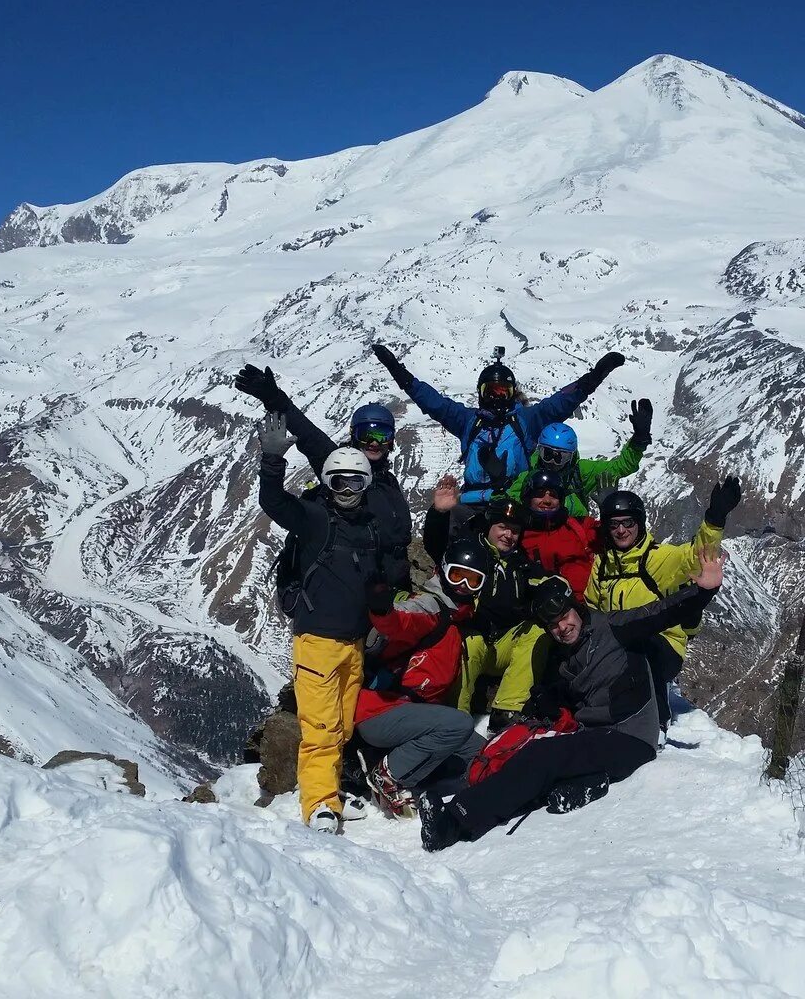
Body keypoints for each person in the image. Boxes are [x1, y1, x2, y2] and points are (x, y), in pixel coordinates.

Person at [419, 547, 725, 851]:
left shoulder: (615, 628)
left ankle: (454, 822)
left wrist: (703, 592)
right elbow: (565, 693)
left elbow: (661, 613)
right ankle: (584, 782)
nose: (562, 628)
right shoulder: (562, 657)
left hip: (631, 737)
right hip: (595, 734)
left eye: (564, 616)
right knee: (530, 753)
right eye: (552, 625)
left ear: (575, 608)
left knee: (543, 756)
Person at [255, 413, 383, 834]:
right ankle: (320, 806)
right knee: (321, 729)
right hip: (317, 643)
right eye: (339, 482)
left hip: (353, 643)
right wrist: (272, 459)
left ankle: (329, 790)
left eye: (357, 482)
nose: (348, 490)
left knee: (343, 727)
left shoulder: (366, 527)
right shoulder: (313, 517)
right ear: (327, 483)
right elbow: (274, 503)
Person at [371, 343, 626, 505]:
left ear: (513, 392)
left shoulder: (525, 420)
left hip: (513, 501)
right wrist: (400, 373)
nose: (496, 397)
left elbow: (562, 402)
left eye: (503, 391)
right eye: (490, 391)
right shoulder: (469, 421)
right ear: (481, 393)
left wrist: (594, 377)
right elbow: (434, 403)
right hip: (470, 502)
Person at [235, 365, 414, 591]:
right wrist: (275, 400)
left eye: (382, 435)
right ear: (354, 436)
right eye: (366, 434)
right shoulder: (339, 466)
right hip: (353, 593)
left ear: (391, 441)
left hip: (392, 592)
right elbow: (309, 436)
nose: (374, 442)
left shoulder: (388, 482)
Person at [587, 477, 742, 736]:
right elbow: (592, 608)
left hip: (662, 646)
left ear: (639, 523)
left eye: (628, 523)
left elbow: (696, 556)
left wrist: (714, 520)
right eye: (614, 525)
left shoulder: (659, 558)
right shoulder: (601, 567)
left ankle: (656, 720)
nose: (621, 530)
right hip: (617, 645)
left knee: (640, 646)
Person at [355, 538, 492, 816]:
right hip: (379, 712)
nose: (463, 586)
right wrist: (382, 610)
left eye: (472, 581)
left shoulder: (456, 617)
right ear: (442, 571)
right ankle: (389, 775)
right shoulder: (431, 608)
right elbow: (403, 620)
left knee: (482, 757)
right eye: (457, 575)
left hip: (410, 717)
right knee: (459, 724)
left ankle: (414, 778)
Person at [424, 476, 553, 728]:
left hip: (503, 643)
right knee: (469, 641)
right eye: (503, 527)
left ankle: (507, 710)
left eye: (515, 531)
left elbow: (545, 582)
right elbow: (436, 545)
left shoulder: (522, 564)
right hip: (474, 639)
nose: (509, 535)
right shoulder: (470, 552)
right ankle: (456, 718)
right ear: (490, 526)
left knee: (537, 633)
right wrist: (439, 514)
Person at [506, 400, 653, 517]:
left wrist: (638, 441)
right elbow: (509, 499)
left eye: (560, 457)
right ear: (540, 451)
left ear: (571, 457)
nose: (552, 462)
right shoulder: (529, 472)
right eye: (548, 454)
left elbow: (620, 467)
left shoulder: (580, 472)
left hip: (575, 538)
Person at [518, 467, 598, 598]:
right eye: (540, 494)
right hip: (538, 610)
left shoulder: (577, 527)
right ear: (528, 498)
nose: (547, 500)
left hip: (585, 607)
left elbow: (615, 533)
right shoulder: (518, 533)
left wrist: (610, 512)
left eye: (553, 495)